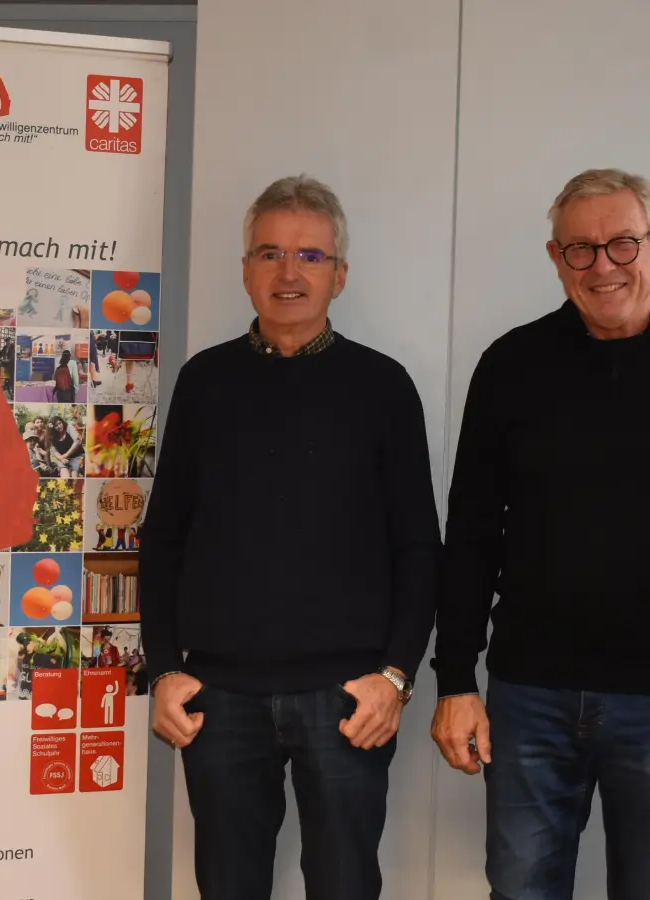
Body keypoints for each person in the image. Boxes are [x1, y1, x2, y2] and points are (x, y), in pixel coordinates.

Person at [430, 168, 650, 900]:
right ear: (555, 257)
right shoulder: (511, 365)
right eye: (580, 250)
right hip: (529, 695)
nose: (602, 267)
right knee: (521, 888)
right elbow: (471, 530)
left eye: (622, 245)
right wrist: (455, 679)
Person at [142, 174, 442, 900]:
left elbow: (420, 547)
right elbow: (165, 536)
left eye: (311, 257)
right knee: (227, 887)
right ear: (245, 269)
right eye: (270, 253)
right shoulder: (205, 382)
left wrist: (397, 677)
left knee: (343, 887)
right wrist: (162, 668)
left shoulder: (383, 386)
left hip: (346, 699)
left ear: (340, 275)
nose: (288, 273)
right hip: (219, 697)